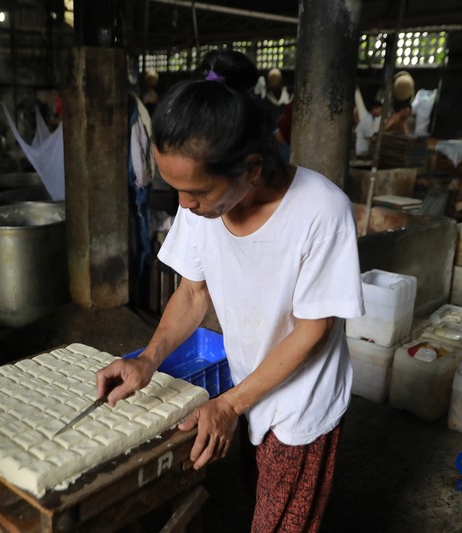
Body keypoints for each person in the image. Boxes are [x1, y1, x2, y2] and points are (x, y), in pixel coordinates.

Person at [96, 50, 364, 531]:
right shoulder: (202, 204)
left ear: (252, 169)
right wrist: (148, 359)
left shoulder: (321, 211)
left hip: (299, 399)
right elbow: (192, 294)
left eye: (196, 192)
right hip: (250, 381)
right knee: (254, 490)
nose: (184, 205)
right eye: (176, 189)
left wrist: (228, 405)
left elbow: (312, 332)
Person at [354, 88, 382, 157]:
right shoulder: (367, 120)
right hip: (362, 151)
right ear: (374, 109)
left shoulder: (372, 119)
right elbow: (370, 136)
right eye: (380, 110)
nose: (380, 113)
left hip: (365, 150)